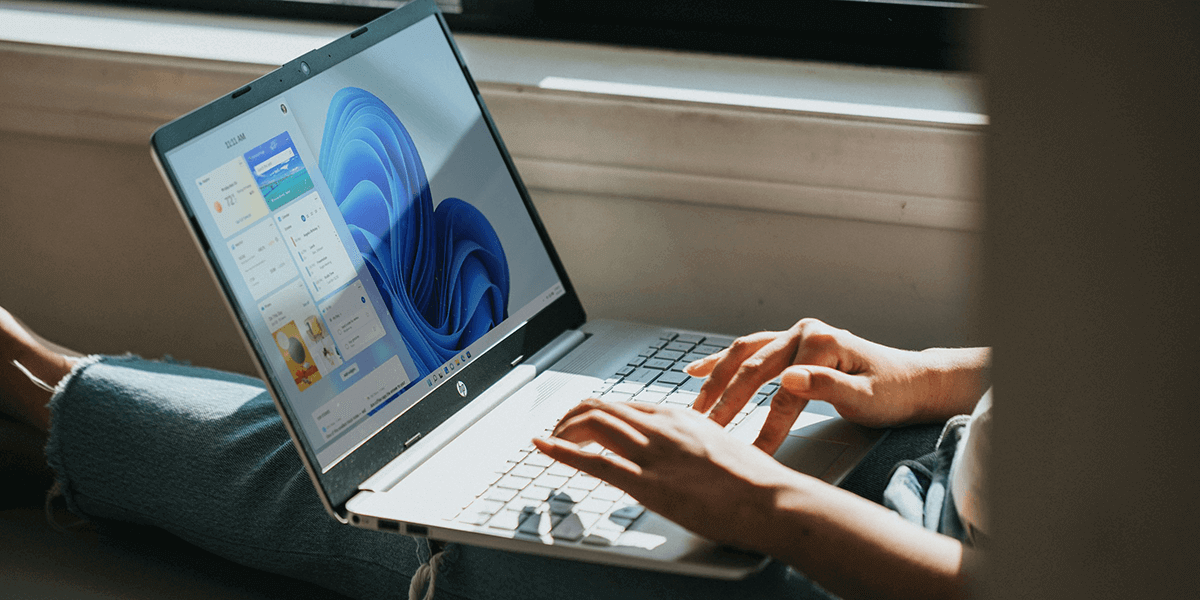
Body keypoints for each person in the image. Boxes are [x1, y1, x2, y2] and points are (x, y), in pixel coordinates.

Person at [0, 306, 989, 600]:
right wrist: (937, 376)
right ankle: (62, 402)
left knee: (409, 497)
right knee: (450, 429)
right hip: (928, 461)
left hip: (899, 571)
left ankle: (36, 389)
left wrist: (774, 507)